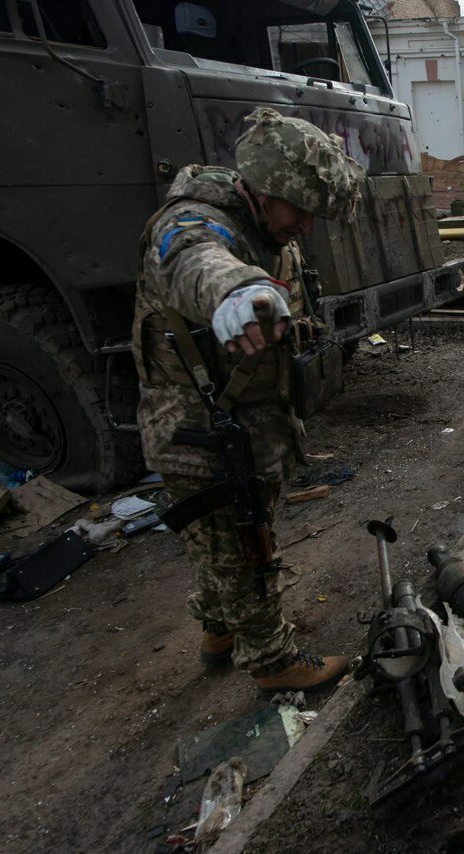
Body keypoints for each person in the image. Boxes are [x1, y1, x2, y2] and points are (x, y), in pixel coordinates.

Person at [132, 106, 362, 694]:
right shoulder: (190, 223)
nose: (306, 225)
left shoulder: (266, 227)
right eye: (299, 210)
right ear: (261, 189)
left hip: (245, 420)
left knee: (221, 542)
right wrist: (240, 287)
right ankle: (273, 661)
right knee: (244, 544)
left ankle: (219, 628)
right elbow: (195, 260)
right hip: (196, 429)